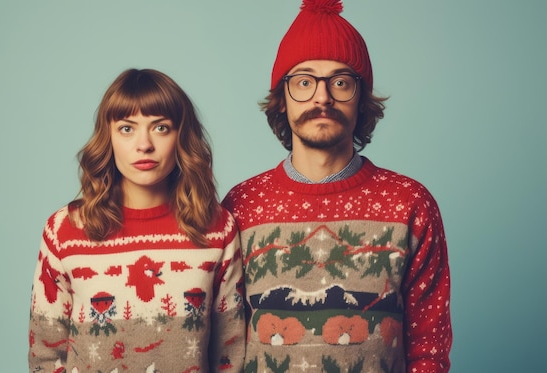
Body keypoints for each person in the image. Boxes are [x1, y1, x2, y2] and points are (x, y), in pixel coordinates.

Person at [222, 1, 452, 372]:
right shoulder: (242, 205)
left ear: (362, 100)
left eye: (341, 82)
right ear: (281, 99)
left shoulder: (409, 203)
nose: (322, 97)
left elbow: (429, 347)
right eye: (304, 82)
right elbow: (224, 344)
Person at [28, 68, 245, 372]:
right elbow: (45, 354)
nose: (144, 145)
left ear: (181, 137)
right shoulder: (64, 230)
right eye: (127, 129)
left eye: (160, 128)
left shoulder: (217, 228)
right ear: (109, 138)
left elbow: (230, 355)